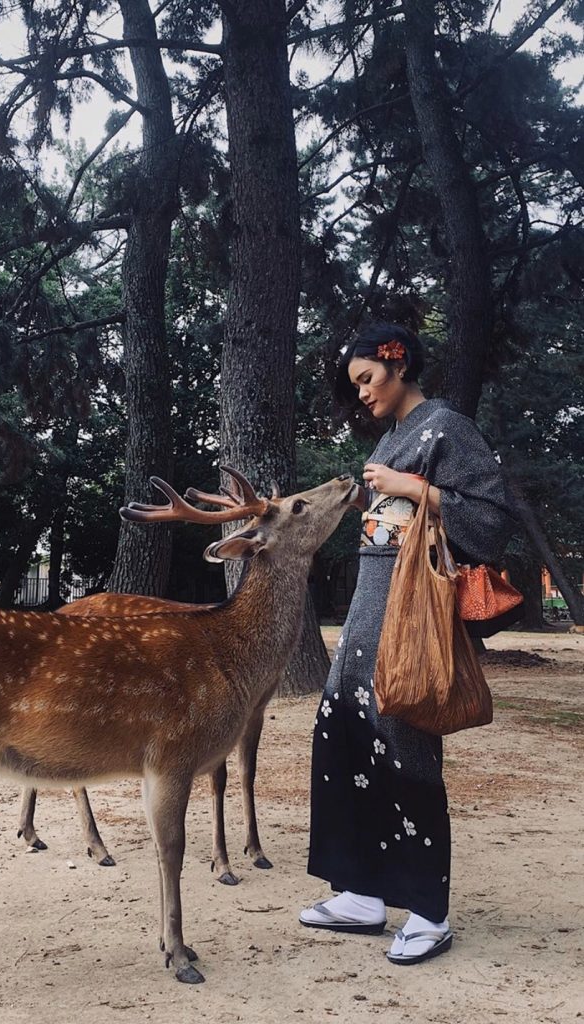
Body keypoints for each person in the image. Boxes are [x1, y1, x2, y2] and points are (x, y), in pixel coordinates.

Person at [300, 322, 514, 965]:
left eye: (367, 378)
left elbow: (491, 518)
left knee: (405, 743)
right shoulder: (395, 436)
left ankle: (429, 911)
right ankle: (362, 891)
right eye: (355, 384)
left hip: (413, 611)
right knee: (343, 732)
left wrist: (414, 488)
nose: (361, 393)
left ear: (399, 364)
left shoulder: (448, 426)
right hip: (369, 607)